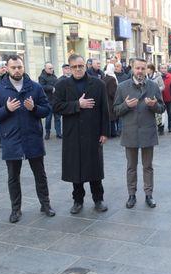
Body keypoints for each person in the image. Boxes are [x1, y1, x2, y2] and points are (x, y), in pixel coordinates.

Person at [0, 55, 56, 223]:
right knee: (13, 176)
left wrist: (34, 108)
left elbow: (47, 110)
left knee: (40, 174)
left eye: (19, 67)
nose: (17, 70)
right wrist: (6, 109)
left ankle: (45, 204)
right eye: (13, 67)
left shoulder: (35, 87)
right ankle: (16, 209)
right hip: (11, 139)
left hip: (32, 137)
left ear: (23, 67)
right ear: (7, 69)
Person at [53, 54, 110, 214]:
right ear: (69, 68)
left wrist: (105, 132)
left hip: (93, 133)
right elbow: (56, 107)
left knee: (94, 168)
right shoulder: (62, 84)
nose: (78, 69)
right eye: (74, 67)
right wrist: (77, 105)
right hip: (73, 134)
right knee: (75, 169)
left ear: (85, 66)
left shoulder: (98, 84)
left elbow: (104, 110)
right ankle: (77, 200)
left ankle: (98, 199)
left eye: (81, 66)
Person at [114, 58, 165, 209]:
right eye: (137, 68)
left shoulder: (153, 86)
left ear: (147, 69)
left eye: (143, 68)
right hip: (130, 132)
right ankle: (132, 195)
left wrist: (154, 105)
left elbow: (162, 108)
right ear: (132, 68)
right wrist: (126, 105)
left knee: (148, 166)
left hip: (148, 131)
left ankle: (149, 194)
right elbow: (115, 110)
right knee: (131, 166)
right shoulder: (122, 87)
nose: (140, 71)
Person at [39, 62, 61, 140]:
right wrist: (51, 88)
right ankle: (47, 132)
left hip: (56, 101)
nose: (52, 70)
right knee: (48, 119)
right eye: (50, 68)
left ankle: (58, 133)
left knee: (57, 118)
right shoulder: (42, 77)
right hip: (48, 101)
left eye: (52, 68)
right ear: (45, 69)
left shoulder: (54, 76)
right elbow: (41, 86)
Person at [146, 63, 165, 135]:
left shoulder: (158, 77)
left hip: (157, 96)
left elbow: (163, 86)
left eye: (149, 69)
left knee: (159, 113)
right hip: (148, 97)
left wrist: (156, 90)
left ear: (152, 70)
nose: (147, 70)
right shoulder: (145, 77)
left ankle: (161, 128)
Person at [103, 64, 119, 137]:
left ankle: (108, 132)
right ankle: (112, 132)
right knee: (112, 118)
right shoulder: (112, 78)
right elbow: (113, 92)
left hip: (105, 99)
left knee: (108, 118)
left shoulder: (104, 77)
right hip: (110, 101)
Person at [160, 64, 171, 132]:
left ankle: (170, 126)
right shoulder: (158, 77)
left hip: (169, 98)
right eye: (162, 68)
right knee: (160, 114)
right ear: (160, 69)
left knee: (170, 114)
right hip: (160, 99)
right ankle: (161, 128)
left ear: (167, 69)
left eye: (165, 68)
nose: (163, 70)